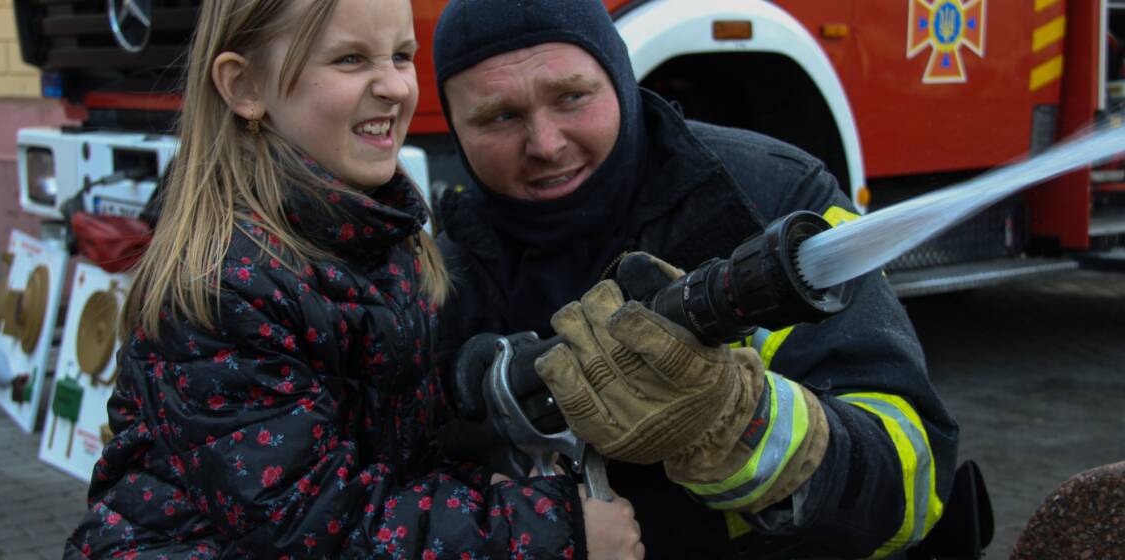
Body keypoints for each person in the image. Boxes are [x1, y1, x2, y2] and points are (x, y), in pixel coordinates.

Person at [64, 1, 642, 558]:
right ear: (244, 87)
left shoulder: (368, 233)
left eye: (400, 55)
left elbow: (386, 438)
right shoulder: (227, 285)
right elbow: (311, 528)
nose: (394, 86)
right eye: (350, 60)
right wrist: (555, 530)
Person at [431, 0, 959, 558]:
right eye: (500, 117)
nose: (546, 143)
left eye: (571, 97)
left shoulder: (775, 203)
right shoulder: (441, 271)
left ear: (620, 81)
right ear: (456, 131)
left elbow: (914, 488)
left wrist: (732, 422)